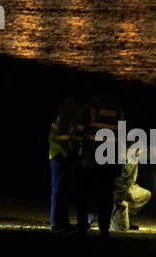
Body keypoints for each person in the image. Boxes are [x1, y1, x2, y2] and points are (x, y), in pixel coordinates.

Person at [49, 93, 121, 238]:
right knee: (106, 196)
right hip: (110, 161)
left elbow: (78, 133)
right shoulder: (118, 110)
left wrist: (74, 153)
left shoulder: (90, 108)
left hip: (90, 159)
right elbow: (123, 136)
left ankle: (82, 227)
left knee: (85, 194)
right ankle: (104, 229)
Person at [109, 147, 151, 232]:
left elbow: (130, 181)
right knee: (122, 229)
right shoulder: (124, 159)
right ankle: (107, 216)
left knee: (145, 194)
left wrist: (130, 192)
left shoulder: (134, 158)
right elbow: (118, 182)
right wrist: (128, 194)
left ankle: (125, 216)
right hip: (117, 193)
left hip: (127, 189)